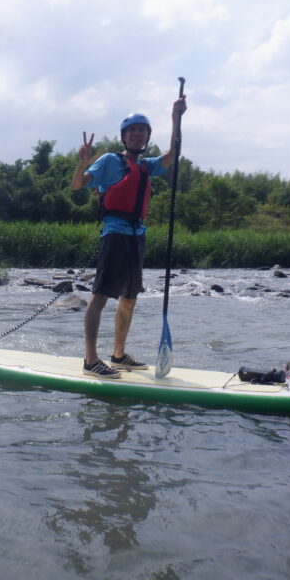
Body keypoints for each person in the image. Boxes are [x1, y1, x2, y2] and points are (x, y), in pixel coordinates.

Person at [70, 96, 187, 378]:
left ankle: (118, 355)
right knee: (99, 297)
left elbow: (174, 153)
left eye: (142, 131)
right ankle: (90, 360)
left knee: (130, 297)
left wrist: (175, 117)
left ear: (147, 137)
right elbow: (77, 186)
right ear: (124, 137)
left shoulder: (147, 166)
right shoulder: (110, 161)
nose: (137, 135)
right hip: (115, 234)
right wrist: (82, 163)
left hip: (137, 235)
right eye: (132, 131)